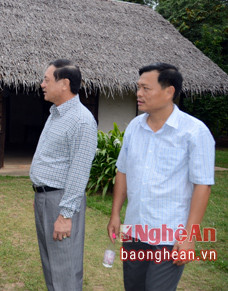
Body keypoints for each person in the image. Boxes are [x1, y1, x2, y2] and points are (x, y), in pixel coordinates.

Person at [107, 63, 214, 291]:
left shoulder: (195, 132)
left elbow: (202, 186)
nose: (139, 93)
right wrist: (115, 213)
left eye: (146, 88)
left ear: (169, 91)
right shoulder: (135, 127)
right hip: (134, 231)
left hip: (169, 235)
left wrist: (189, 236)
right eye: (138, 88)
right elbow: (122, 171)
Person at [30, 59, 97, 291]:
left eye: (47, 80)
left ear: (64, 83)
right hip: (44, 199)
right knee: (50, 265)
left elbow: (80, 170)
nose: (42, 84)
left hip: (60, 201)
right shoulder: (56, 114)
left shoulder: (81, 120)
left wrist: (66, 215)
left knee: (64, 270)